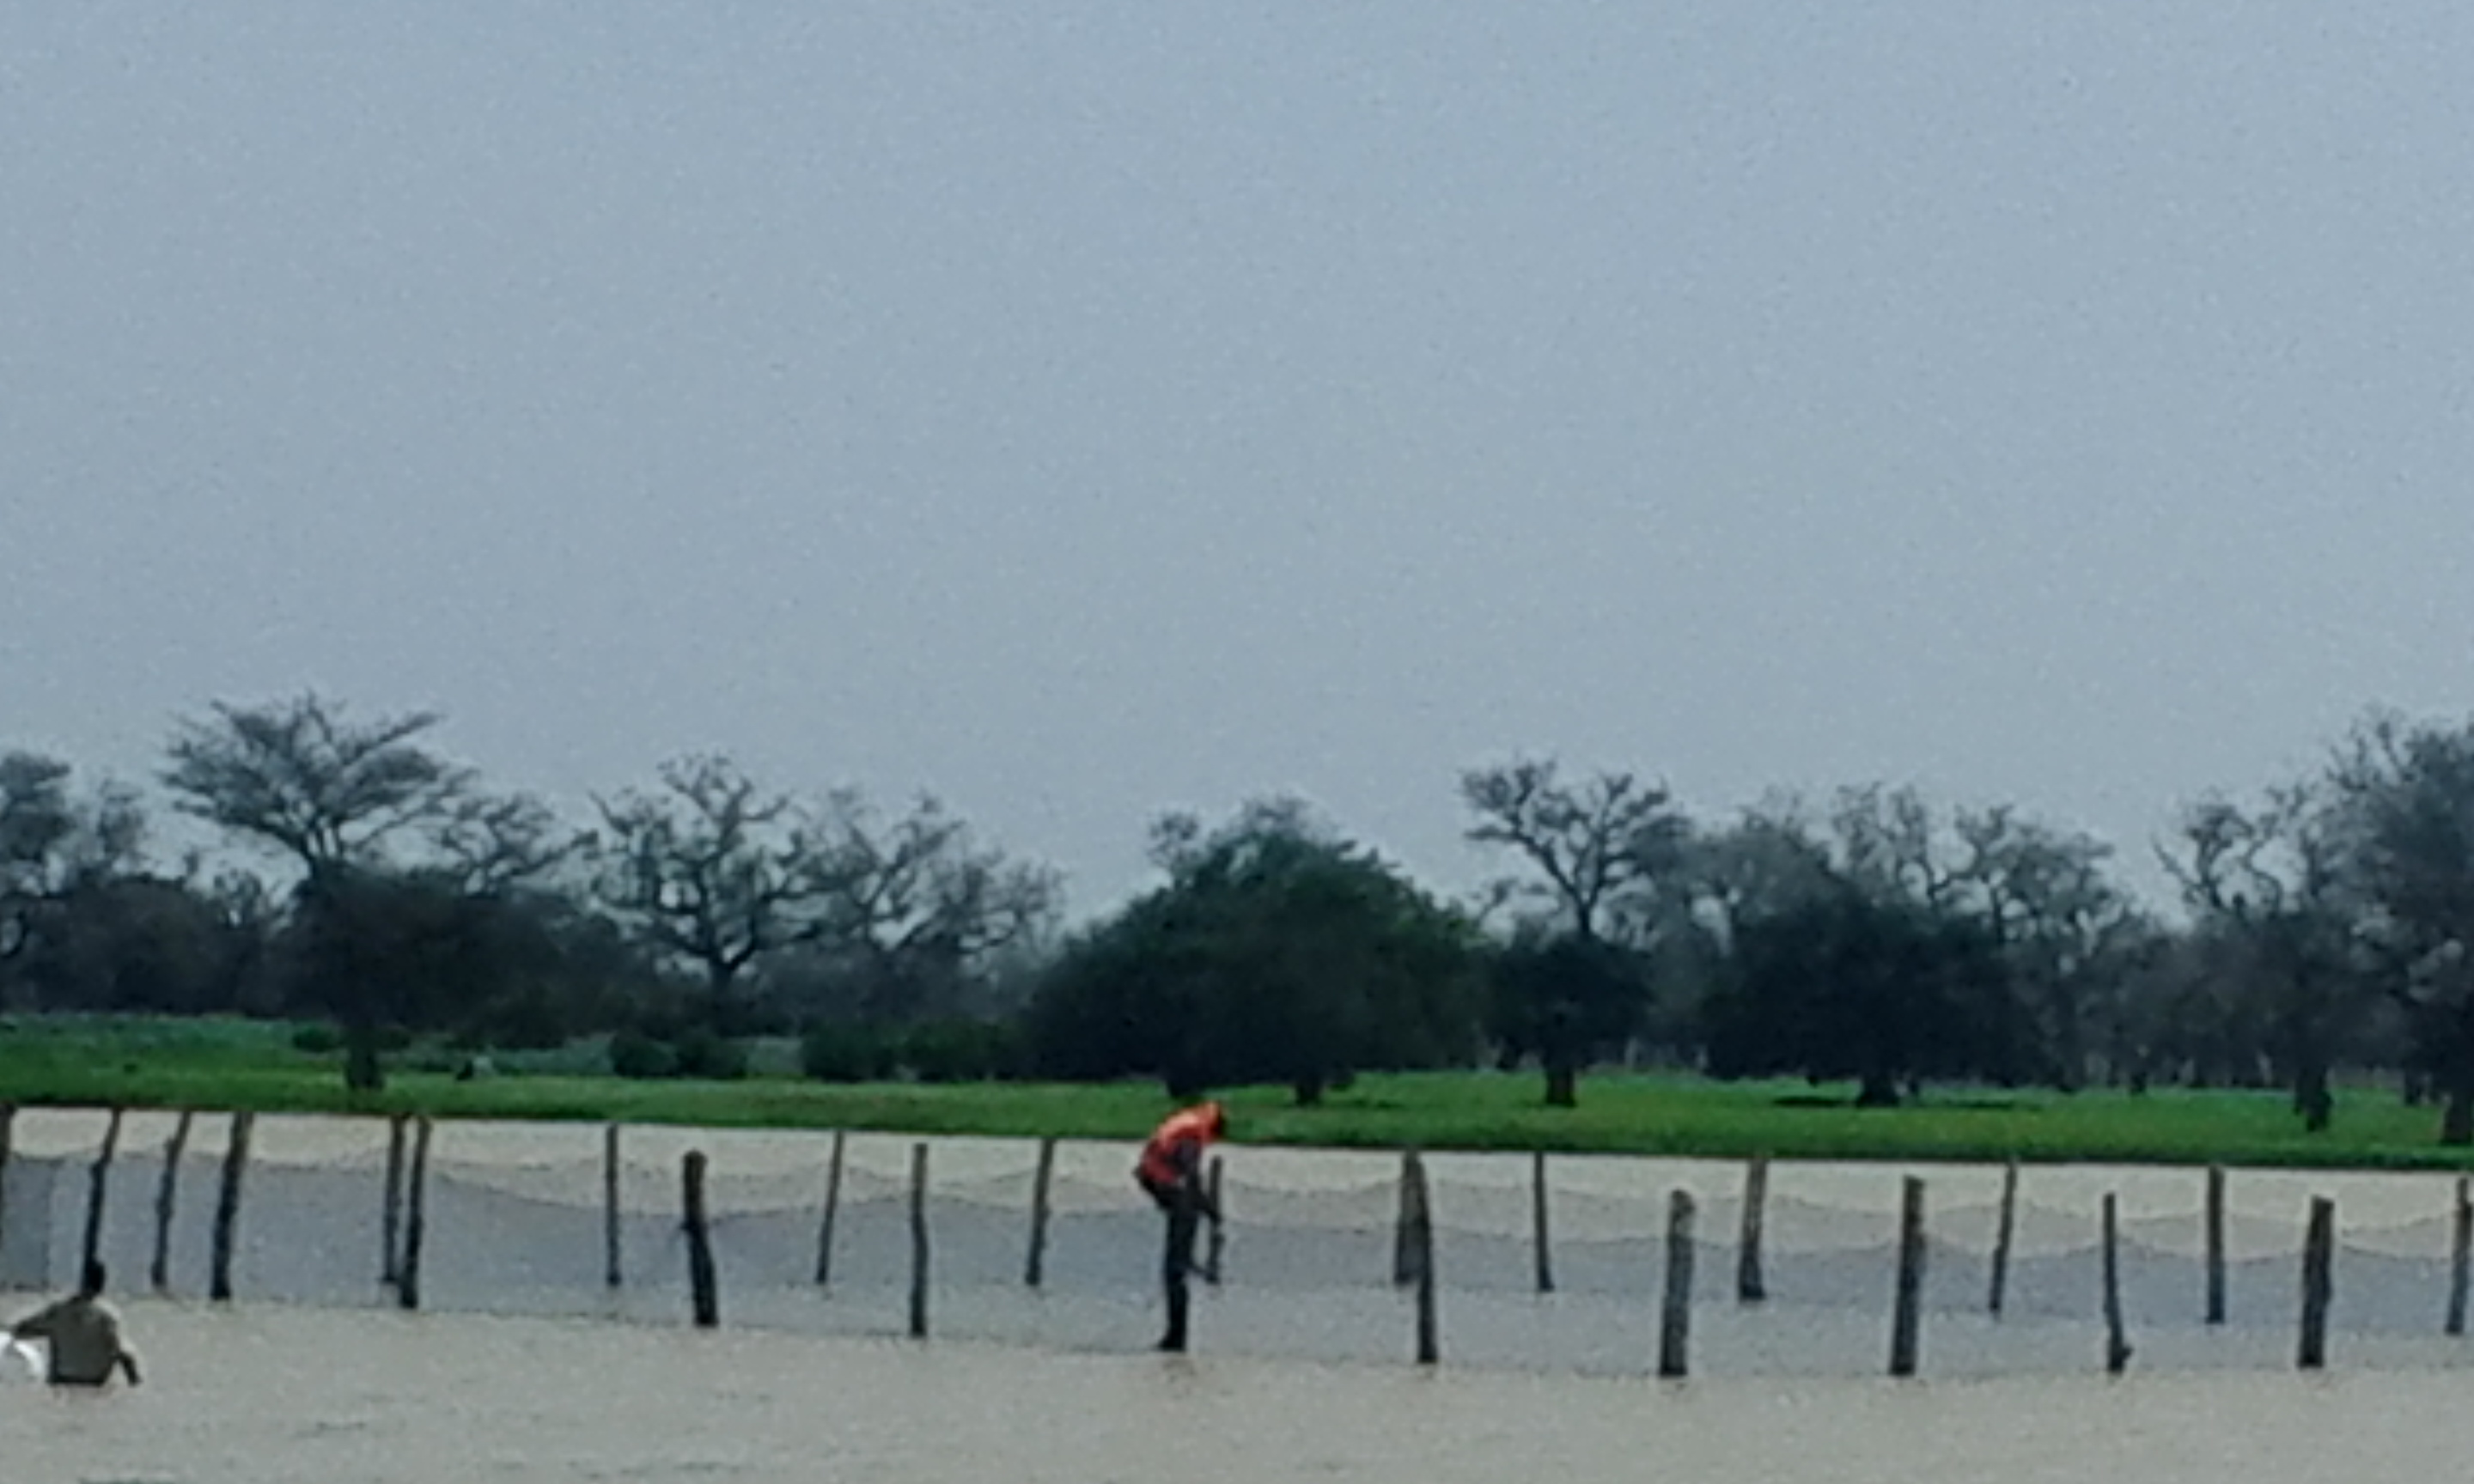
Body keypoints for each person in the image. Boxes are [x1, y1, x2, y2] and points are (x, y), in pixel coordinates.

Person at [1135, 1100, 1226, 1352]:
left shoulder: (1186, 1122)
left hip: (1151, 1174)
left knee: (1177, 1260)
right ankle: (1176, 1338)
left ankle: (1175, 1332)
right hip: (1159, 1179)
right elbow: (1191, 1174)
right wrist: (1211, 1211)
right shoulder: (1193, 1133)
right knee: (1178, 1263)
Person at [4, 1261, 142, 1389]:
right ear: (102, 1284)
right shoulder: (107, 1317)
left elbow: (20, 1330)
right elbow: (125, 1355)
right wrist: (135, 1386)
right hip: (94, 1387)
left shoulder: (59, 1312)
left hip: (61, 1384)